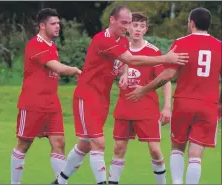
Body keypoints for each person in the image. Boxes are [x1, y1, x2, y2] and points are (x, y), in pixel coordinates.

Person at [51, 5, 188, 184]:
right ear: (112, 20)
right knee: (99, 143)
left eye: (130, 23)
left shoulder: (122, 40)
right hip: (87, 96)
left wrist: (123, 73)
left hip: (103, 99)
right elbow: (131, 59)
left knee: (85, 144)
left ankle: (60, 181)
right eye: (124, 23)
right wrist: (166, 58)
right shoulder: (103, 40)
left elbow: (125, 62)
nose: (128, 27)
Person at [126, 7, 221, 184]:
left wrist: (144, 89)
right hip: (208, 105)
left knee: (177, 147)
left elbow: (168, 75)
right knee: (195, 155)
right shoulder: (219, 46)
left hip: (184, 103)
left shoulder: (181, 43)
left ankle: (176, 182)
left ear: (191, 23)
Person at [11, 8, 81, 184]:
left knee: (59, 143)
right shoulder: (36, 44)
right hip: (33, 103)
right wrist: (75, 70)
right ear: (42, 25)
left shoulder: (52, 45)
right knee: (23, 145)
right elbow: (57, 68)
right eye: (53, 23)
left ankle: (60, 183)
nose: (58, 27)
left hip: (51, 103)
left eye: (58, 23)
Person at [108, 12, 172, 185]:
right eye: (134, 25)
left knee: (155, 151)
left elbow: (165, 79)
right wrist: (121, 76)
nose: (137, 29)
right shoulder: (119, 48)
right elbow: (116, 70)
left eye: (141, 26)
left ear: (146, 29)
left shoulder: (153, 52)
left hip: (147, 109)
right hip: (124, 107)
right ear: (127, 27)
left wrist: (167, 106)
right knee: (118, 148)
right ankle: (112, 182)